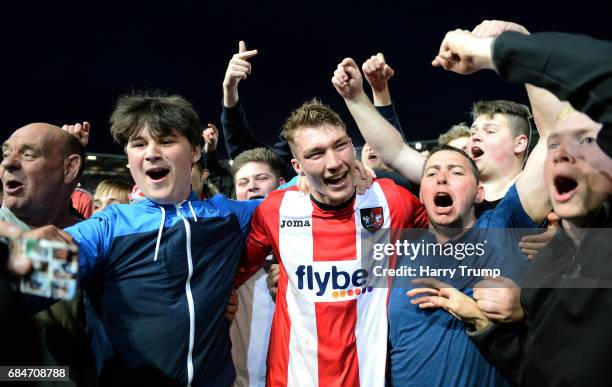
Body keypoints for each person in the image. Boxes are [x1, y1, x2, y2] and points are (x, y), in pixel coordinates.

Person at [414, 24, 612, 386]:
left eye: (586, 145)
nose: (564, 157)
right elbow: (535, 364)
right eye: (555, 150)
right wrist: (492, 322)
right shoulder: (551, 256)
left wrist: (507, 49)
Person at [17, 93, 260, 386]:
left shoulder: (231, 216)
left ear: (195, 151)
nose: (151, 153)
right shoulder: (107, 228)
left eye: (167, 141)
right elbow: (21, 285)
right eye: (139, 144)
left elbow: (301, 194)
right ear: (129, 158)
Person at [237, 99, 428, 386]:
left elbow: (455, 239)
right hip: (293, 378)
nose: (335, 162)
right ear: (297, 166)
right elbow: (231, 272)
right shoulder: (275, 211)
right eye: (315, 154)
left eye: (340, 146)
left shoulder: (390, 200)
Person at [1, 122, 97, 384]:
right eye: (6, 153)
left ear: (70, 168)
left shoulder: (97, 237)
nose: (8, 164)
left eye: (29, 154)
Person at [229, 147, 284, 387]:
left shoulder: (308, 243)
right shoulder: (224, 248)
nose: (251, 186)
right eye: (243, 182)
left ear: (282, 184)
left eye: (261, 178)